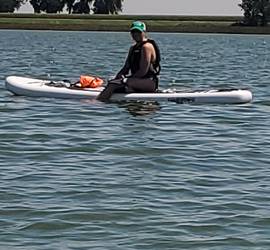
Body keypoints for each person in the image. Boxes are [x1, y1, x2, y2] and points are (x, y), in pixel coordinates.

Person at [97, 21, 161, 102]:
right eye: (133, 32)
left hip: (149, 82)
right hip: (136, 81)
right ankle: (129, 90)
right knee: (113, 82)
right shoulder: (133, 48)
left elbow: (143, 71)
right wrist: (118, 77)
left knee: (115, 84)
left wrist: (126, 80)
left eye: (138, 32)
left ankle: (97, 103)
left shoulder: (146, 47)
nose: (135, 34)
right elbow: (126, 67)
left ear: (144, 32)